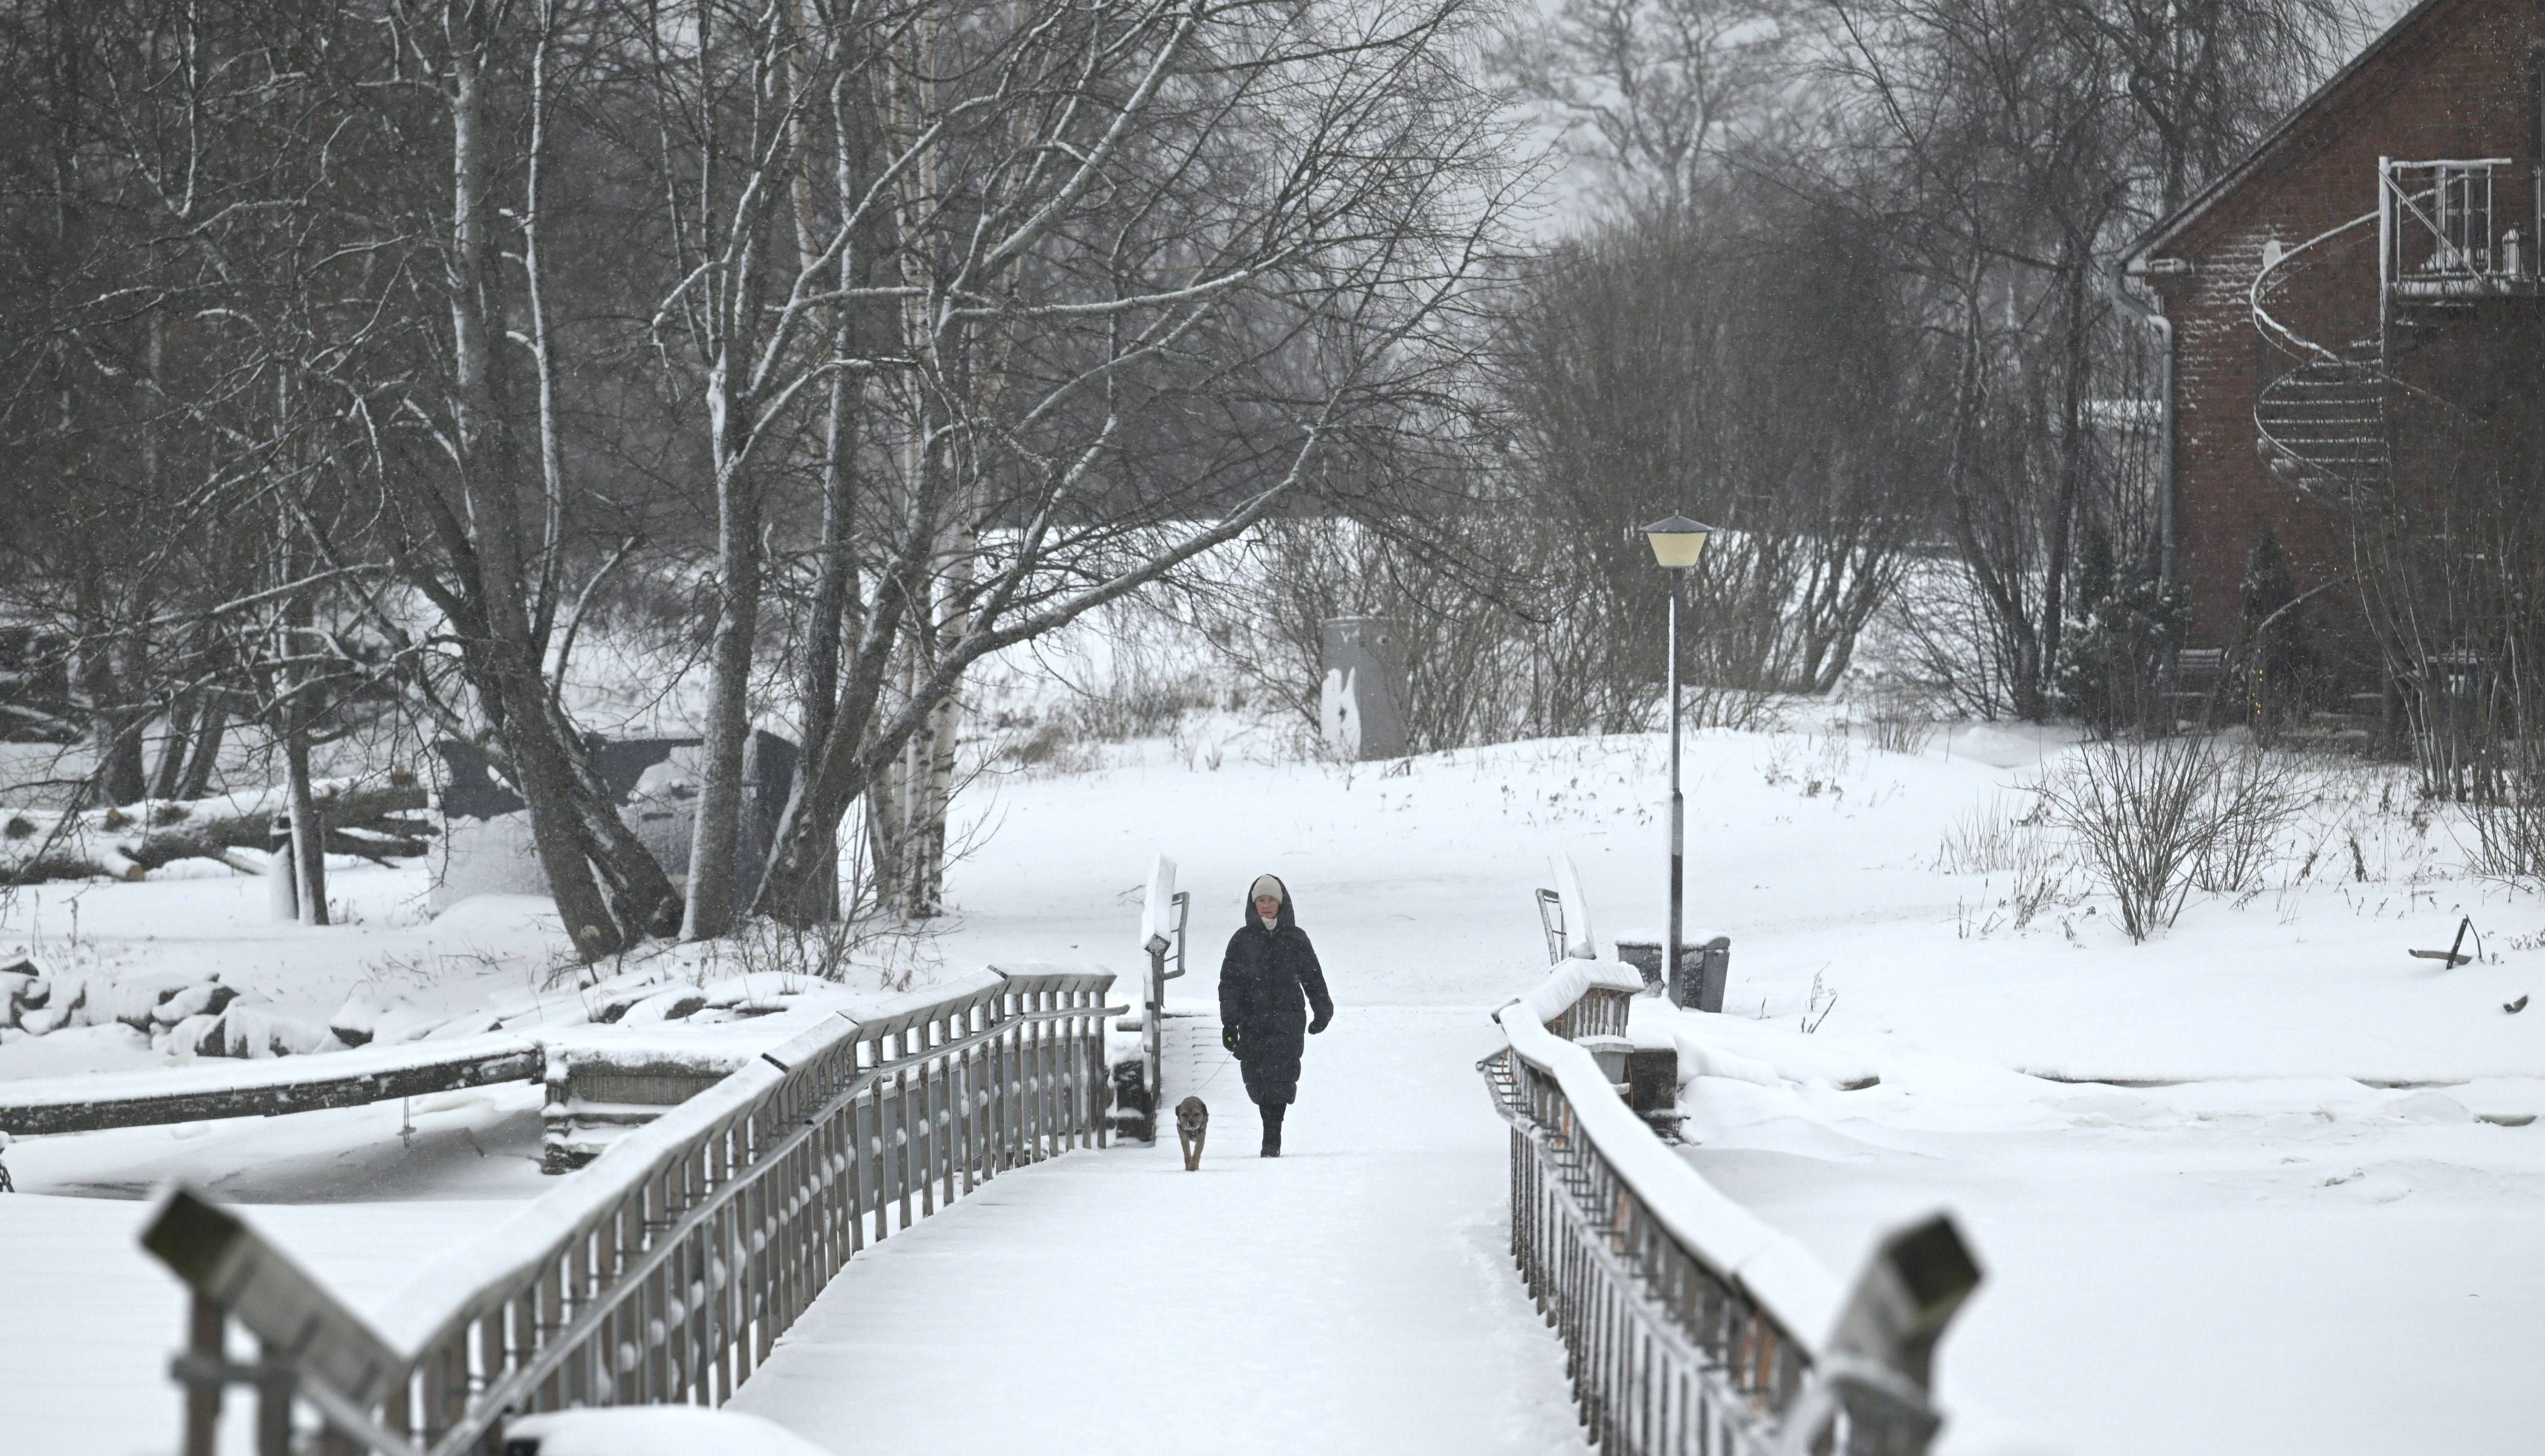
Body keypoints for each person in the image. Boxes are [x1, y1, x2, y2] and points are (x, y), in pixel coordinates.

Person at [1217, 873, 1332, 1157]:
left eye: (1271, 899)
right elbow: (1229, 984)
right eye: (1261, 900)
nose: (1266, 905)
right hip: (1252, 1022)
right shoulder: (1242, 940)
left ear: (1281, 903)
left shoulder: (1296, 938)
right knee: (1257, 1079)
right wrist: (1229, 1023)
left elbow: (1313, 977)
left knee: (1281, 1078)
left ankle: (1272, 1138)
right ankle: (1270, 1130)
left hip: (1287, 1020)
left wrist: (1323, 1009)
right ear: (1253, 904)